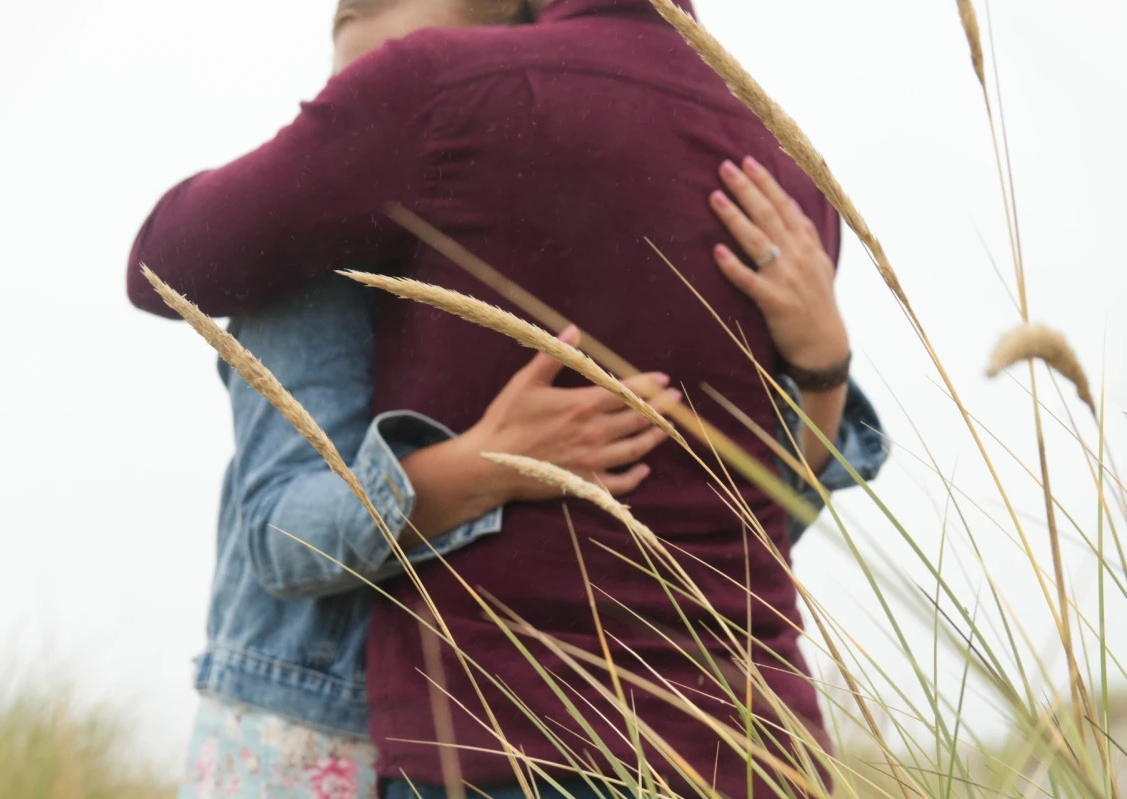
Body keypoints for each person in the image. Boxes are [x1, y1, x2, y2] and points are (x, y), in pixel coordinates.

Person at [130, 1, 886, 797]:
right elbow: (278, 533)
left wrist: (826, 367)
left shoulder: (462, 114)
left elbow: (756, 523)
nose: (340, 138)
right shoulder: (782, 161)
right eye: (331, 107)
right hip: (738, 750)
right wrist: (480, 466)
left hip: (513, 742)